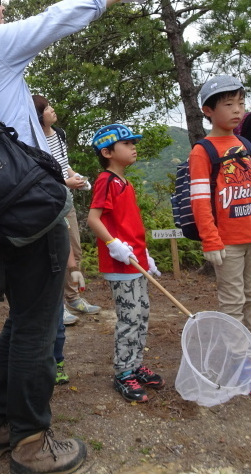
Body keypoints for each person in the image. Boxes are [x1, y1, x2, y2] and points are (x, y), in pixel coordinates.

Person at [0, 0, 161, 472]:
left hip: (0, 217)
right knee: (38, 326)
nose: (3, 8)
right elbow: (59, 17)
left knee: (25, 319)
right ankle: (31, 441)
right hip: (35, 214)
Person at [191, 76, 251, 397]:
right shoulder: (202, 151)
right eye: (228, 104)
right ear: (208, 110)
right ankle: (237, 360)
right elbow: (201, 200)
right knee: (233, 302)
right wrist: (211, 239)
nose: (238, 110)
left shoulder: (245, 145)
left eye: (241, 103)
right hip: (227, 242)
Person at [86, 124, 165, 403]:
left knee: (142, 316)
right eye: (127, 143)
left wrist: (145, 256)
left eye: (134, 142)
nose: (133, 147)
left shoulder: (125, 182)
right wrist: (113, 244)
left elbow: (129, 225)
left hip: (136, 262)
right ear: (107, 152)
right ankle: (123, 372)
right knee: (129, 319)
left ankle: (135, 363)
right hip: (120, 265)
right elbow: (93, 219)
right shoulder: (106, 180)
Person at [33, 94, 101, 327]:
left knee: (75, 249)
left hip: (66, 200)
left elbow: (63, 164)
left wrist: (75, 177)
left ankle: (73, 297)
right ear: (38, 115)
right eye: (46, 107)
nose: (52, 110)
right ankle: (56, 305)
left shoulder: (59, 134)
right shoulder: (32, 139)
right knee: (55, 254)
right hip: (48, 204)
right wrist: (65, 182)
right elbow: (40, 176)